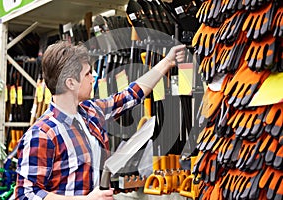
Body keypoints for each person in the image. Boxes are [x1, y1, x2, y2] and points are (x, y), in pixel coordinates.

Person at [14, 40, 186, 200]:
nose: (93, 76)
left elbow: (130, 95)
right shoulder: (42, 134)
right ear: (70, 83)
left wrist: (167, 62)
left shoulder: (91, 112)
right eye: (88, 73)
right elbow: (26, 194)